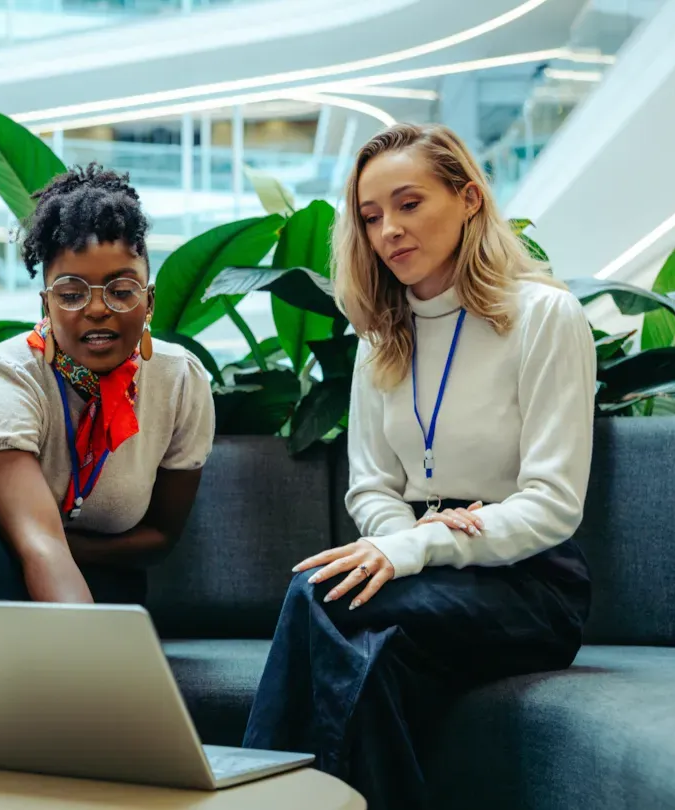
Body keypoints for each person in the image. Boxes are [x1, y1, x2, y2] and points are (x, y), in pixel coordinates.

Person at [242, 123, 596, 809]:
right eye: (371, 217)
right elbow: (372, 485)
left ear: (467, 199)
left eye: (409, 204)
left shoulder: (546, 316)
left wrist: (416, 545)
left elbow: (553, 502)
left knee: (318, 593)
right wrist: (402, 543)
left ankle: (254, 796)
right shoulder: (380, 343)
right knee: (375, 668)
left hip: (529, 586)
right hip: (418, 572)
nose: (389, 231)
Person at [0, 164, 216, 604]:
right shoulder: (6, 375)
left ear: (148, 301)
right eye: (72, 294)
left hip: (90, 575)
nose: (98, 309)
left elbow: (159, 537)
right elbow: (40, 544)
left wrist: (77, 555)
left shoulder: (181, 381)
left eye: (121, 289)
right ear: (47, 304)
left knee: (118, 585)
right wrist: (81, 661)